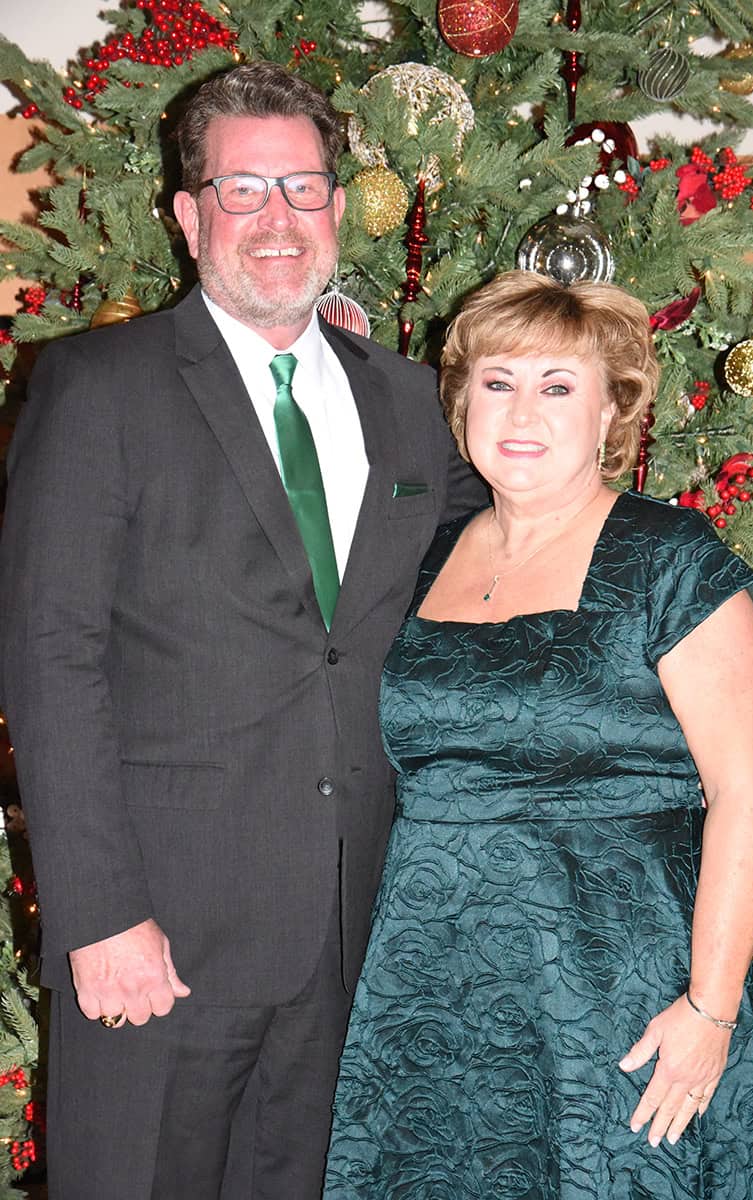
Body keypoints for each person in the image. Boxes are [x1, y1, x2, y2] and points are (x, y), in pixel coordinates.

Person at [0, 61, 484, 1200]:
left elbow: (500, 550)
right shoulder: (95, 386)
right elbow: (50, 653)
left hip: (352, 928)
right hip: (158, 932)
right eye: (243, 190)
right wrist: (101, 911)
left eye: (304, 189)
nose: (278, 220)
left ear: (338, 205)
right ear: (188, 213)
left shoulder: (407, 402)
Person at [322, 270, 753, 1198]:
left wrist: (709, 1008)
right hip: (432, 984)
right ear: (460, 404)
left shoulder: (669, 557)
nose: (521, 411)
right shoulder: (418, 560)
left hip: (618, 985)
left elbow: (748, 789)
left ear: (612, 410)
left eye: (558, 386)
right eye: (497, 382)